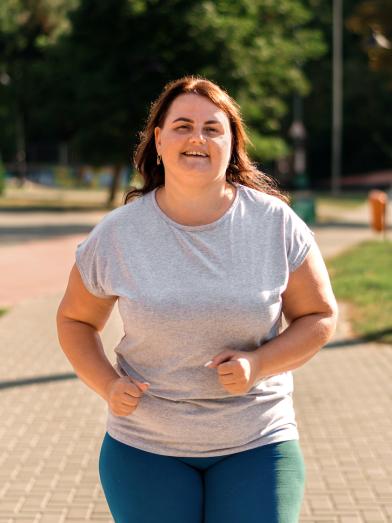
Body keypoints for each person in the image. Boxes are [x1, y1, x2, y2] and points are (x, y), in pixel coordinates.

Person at [56, 76, 338, 523]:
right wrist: (108, 384)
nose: (197, 138)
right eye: (183, 125)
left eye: (212, 128)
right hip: (146, 447)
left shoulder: (274, 224)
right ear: (159, 141)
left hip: (258, 442)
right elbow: (75, 320)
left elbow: (319, 316)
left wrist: (258, 364)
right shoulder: (118, 233)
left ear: (232, 144)